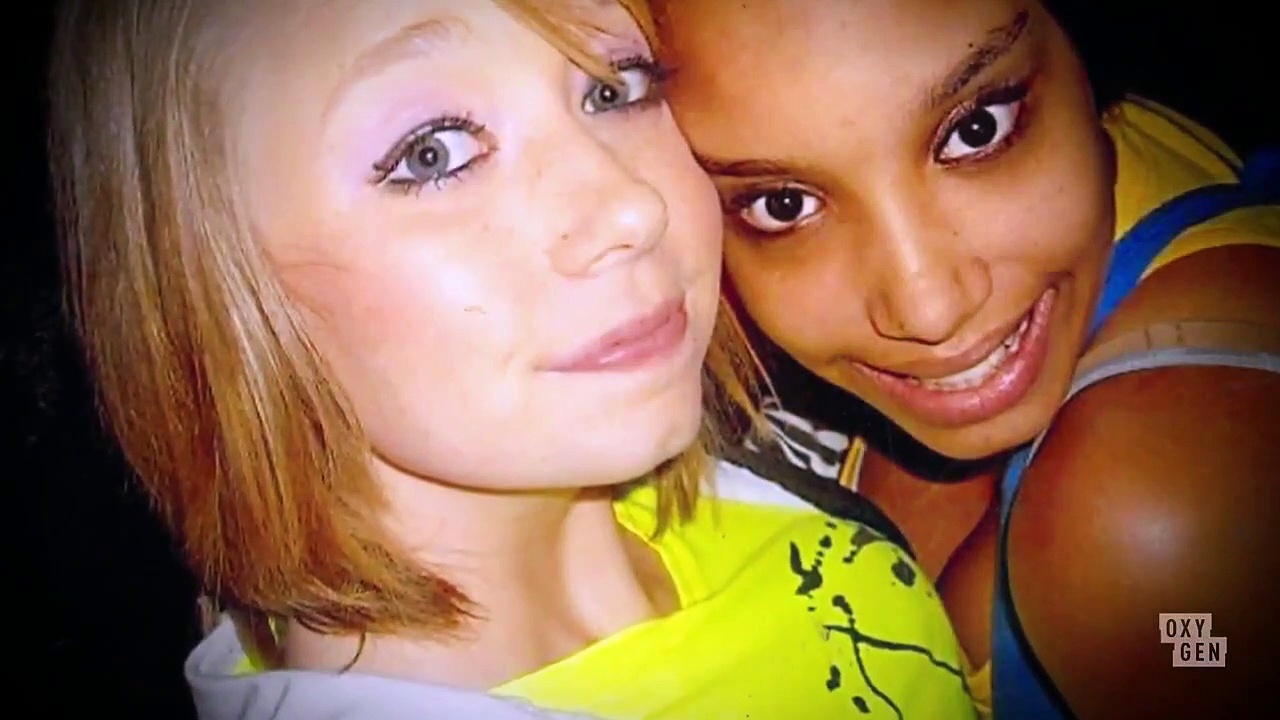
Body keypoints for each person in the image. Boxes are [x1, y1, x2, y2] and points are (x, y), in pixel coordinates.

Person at [47, 0, 979, 718]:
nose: (632, 208)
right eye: (433, 153)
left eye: (613, 88)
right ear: (203, 281)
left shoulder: (726, 487)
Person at [650, 0, 1280, 717]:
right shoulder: (1113, 131)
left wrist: (1193, 647)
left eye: (977, 129)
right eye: (783, 205)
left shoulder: (1155, 539)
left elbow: (1204, 655)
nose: (929, 311)